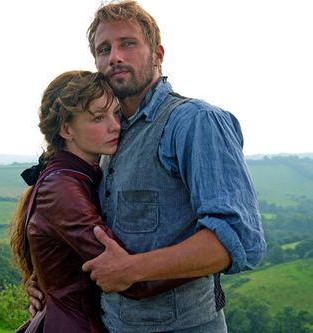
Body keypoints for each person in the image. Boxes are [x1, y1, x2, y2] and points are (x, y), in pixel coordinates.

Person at [29, 1, 267, 332]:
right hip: (111, 324)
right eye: (103, 49)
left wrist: (134, 269)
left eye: (128, 43)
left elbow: (239, 240)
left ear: (157, 54)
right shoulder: (111, 135)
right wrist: (55, 284)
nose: (114, 56)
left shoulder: (194, 122)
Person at [10, 70, 192, 333]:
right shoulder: (62, 189)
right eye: (98, 117)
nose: (115, 125)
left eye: (115, 113)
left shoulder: (79, 175)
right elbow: (126, 276)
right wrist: (206, 258)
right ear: (66, 129)